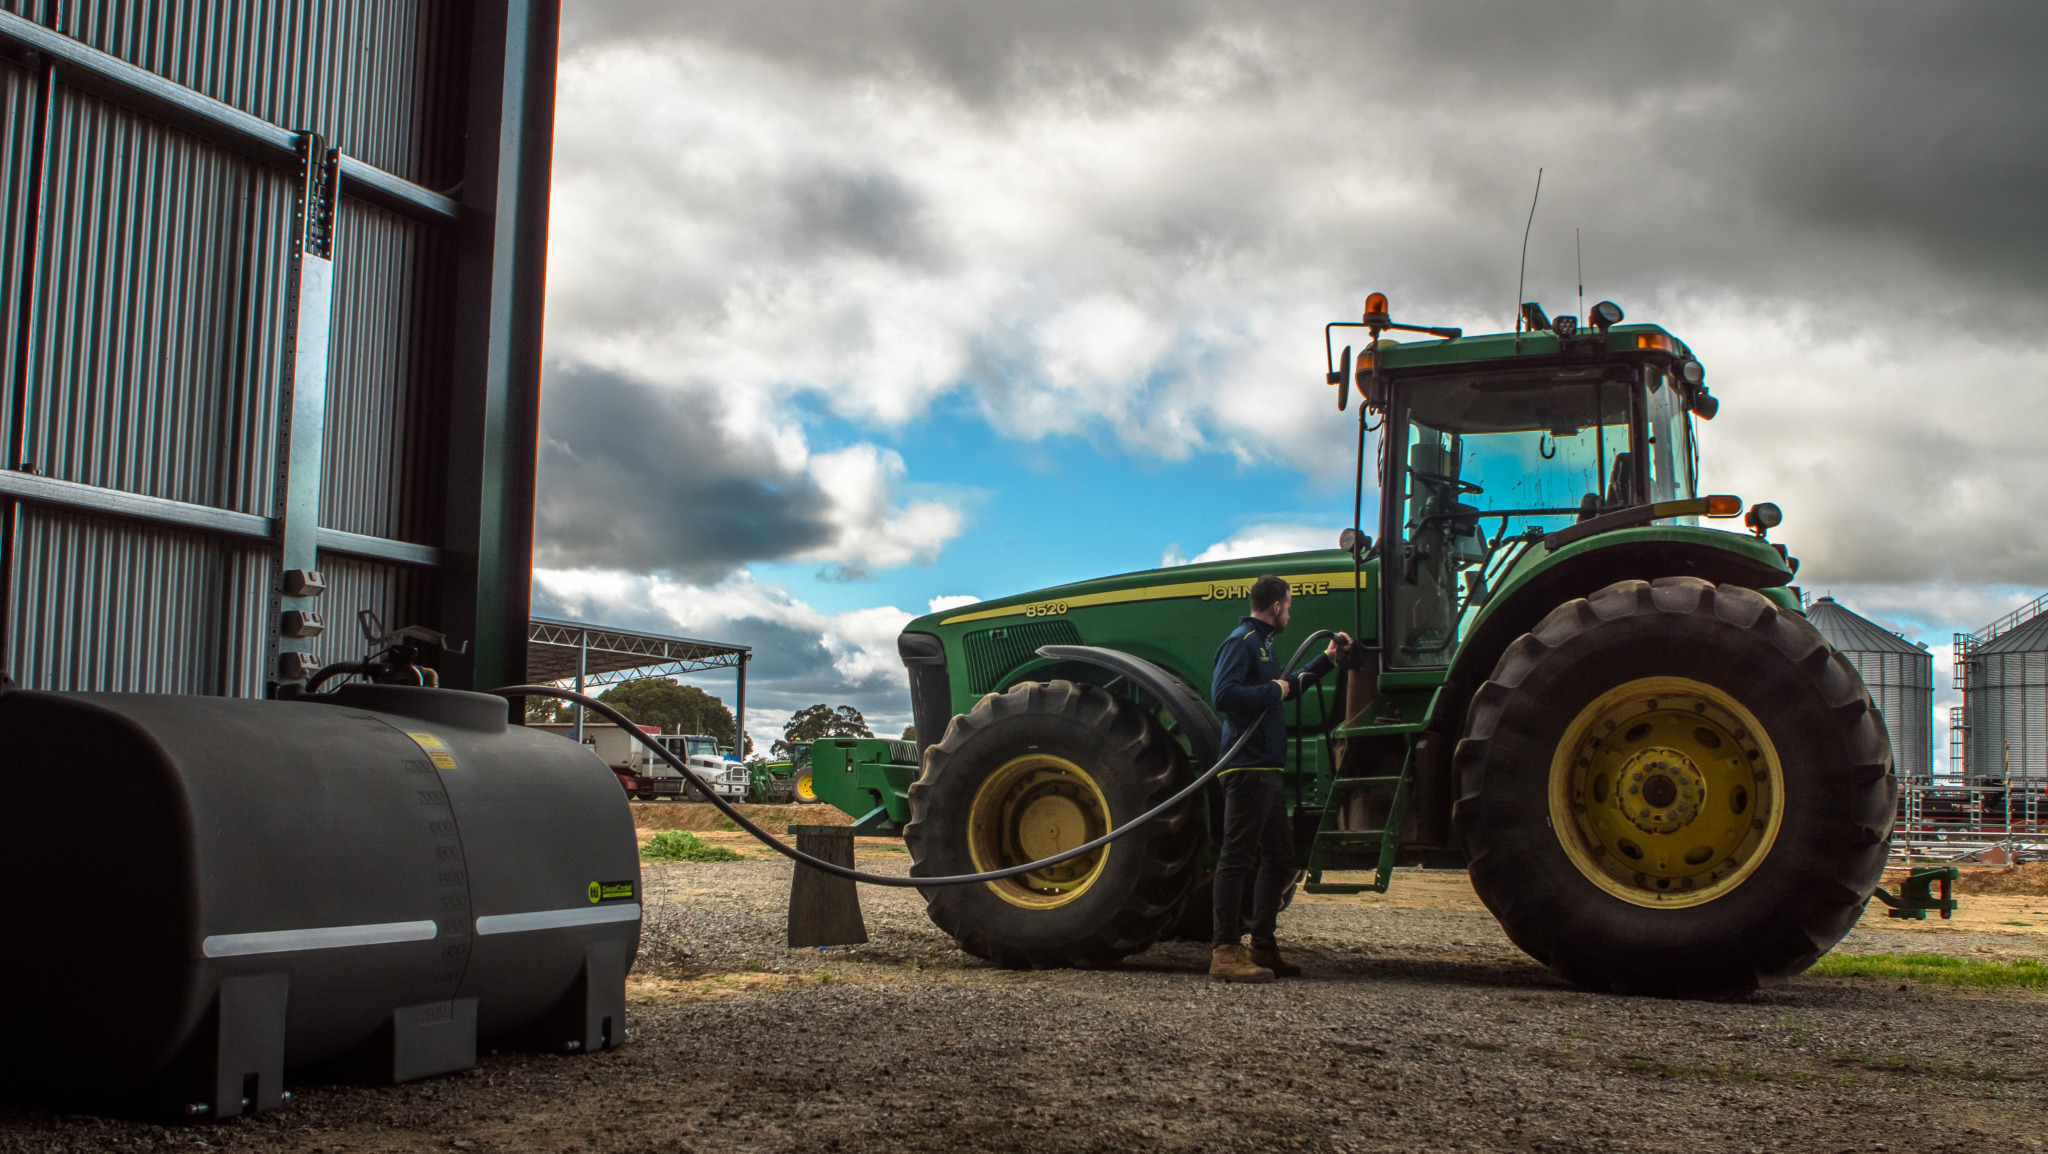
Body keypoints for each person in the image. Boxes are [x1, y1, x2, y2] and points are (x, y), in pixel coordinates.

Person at [1208, 574, 1350, 983]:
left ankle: (1263, 946)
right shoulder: (1242, 642)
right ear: (1276, 607)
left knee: (1280, 858)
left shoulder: (1264, 645)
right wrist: (1274, 690)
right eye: (1289, 606)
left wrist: (1327, 660)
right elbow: (1225, 695)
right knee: (1236, 858)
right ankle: (1224, 952)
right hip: (1246, 768)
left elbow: (1287, 687)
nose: (1290, 612)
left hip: (1266, 768)